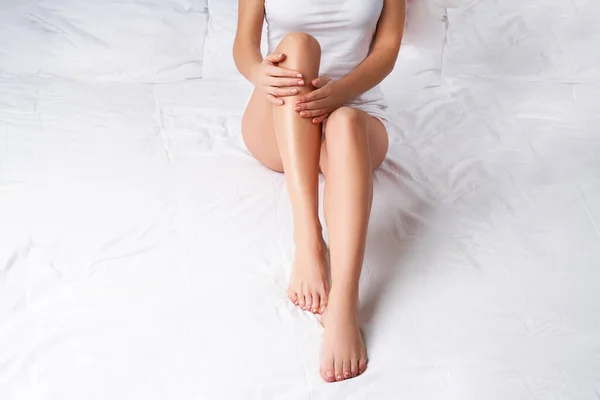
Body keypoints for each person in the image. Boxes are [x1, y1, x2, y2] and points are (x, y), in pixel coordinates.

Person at [234, 0, 405, 383]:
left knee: (345, 121)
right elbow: (244, 44)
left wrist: (339, 93)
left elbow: (387, 50)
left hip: (355, 117)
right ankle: (308, 237)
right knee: (297, 45)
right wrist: (257, 71)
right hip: (279, 120)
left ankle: (344, 302)